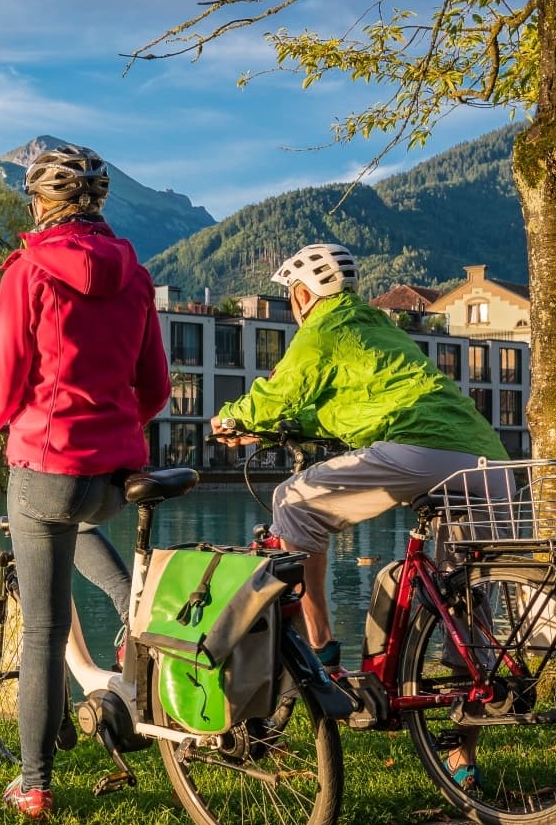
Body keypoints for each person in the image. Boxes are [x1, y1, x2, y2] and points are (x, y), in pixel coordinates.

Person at [210, 243, 507, 784]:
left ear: (303, 294)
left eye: (291, 295)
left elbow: (280, 393)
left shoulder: (324, 328)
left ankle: (321, 648)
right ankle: (463, 756)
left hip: (421, 450)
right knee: (465, 595)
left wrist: (231, 419)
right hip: (488, 462)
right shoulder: (376, 326)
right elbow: (351, 400)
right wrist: (282, 427)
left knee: (293, 502)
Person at [0, 144, 170, 821]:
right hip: (116, 474)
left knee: (42, 628)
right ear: (97, 203)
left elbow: (3, 390)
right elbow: (155, 388)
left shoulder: (28, 270)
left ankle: (34, 783)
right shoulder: (136, 276)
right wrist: (116, 425)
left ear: (42, 202)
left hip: (46, 465)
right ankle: (131, 612)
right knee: (82, 518)